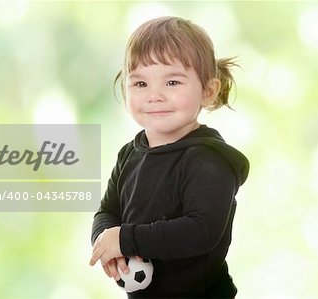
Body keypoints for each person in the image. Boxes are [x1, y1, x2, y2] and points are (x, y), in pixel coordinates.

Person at [89, 16, 249, 299]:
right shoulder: (130, 154)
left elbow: (200, 231)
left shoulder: (208, 159)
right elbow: (108, 211)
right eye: (140, 84)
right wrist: (106, 242)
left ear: (208, 91)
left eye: (172, 82)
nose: (154, 95)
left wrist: (126, 239)